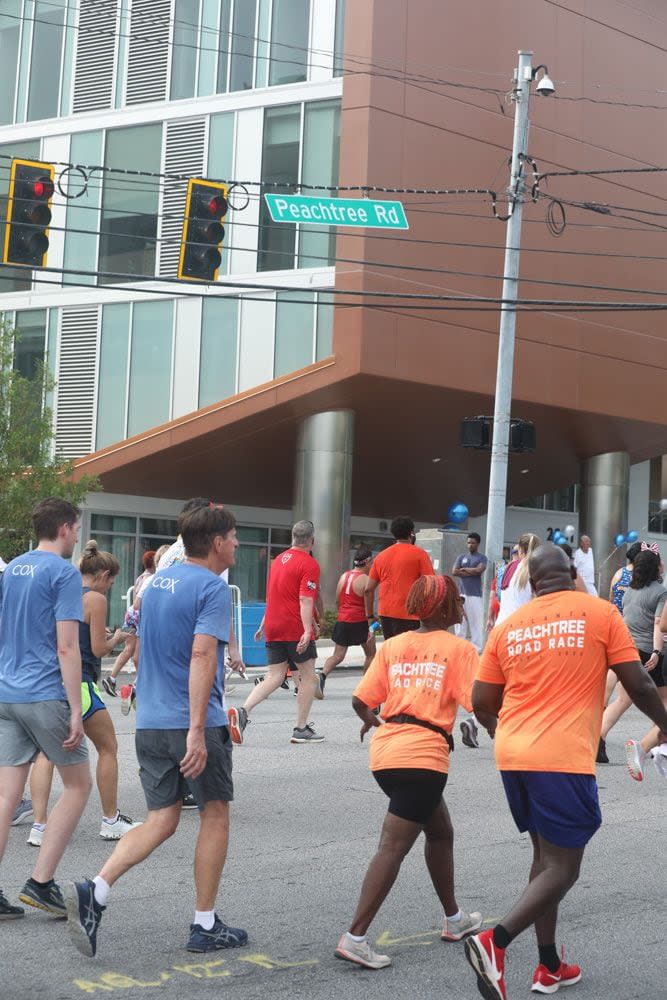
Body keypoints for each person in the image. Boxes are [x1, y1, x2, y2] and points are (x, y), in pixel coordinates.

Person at [465, 543, 667, 1000]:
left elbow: (480, 702)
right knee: (564, 868)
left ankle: (549, 965)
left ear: (533, 583)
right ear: (574, 574)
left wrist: (506, 730)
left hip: (513, 755)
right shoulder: (598, 614)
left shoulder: (508, 626)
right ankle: (493, 943)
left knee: (543, 860)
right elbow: (637, 682)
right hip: (560, 758)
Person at [65, 504, 247, 957]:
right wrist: (197, 730)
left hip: (150, 720)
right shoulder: (211, 587)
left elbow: (139, 642)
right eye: (235, 537)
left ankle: (97, 889)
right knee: (215, 814)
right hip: (189, 722)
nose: (239, 544)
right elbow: (204, 657)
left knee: (162, 819)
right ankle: (204, 923)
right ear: (218, 542)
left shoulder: (152, 585)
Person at [335, 574, 487, 970]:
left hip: (386, 755)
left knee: (440, 831)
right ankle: (355, 937)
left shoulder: (395, 645)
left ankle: (454, 920)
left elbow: (359, 700)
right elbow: (479, 705)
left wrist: (373, 719)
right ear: (445, 607)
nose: (459, 605)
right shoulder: (460, 649)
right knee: (392, 848)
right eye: (455, 600)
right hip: (424, 759)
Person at [0, 498, 91, 920]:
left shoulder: (13, 568)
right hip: (44, 692)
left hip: (7, 692)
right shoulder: (63, 573)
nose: (77, 535)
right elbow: (67, 645)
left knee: (5, 794)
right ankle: (40, 882)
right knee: (77, 786)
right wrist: (76, 708)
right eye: (76, 528)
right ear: (65, 529)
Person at [26, 542, 141, 847]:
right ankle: (110, 819)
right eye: (112, 581)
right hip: (82, 683)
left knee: (45, 753)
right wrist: (116, 637)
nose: (110, 586)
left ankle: (39, 825)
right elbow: (100, 650)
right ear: (103, 575)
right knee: (108, 747)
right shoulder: (95, 599)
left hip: (50, 682)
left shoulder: (61, 591)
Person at [227, 520, 324, 745]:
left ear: (292, 537)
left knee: (275, 676)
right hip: (294, 626)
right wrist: (308, 629)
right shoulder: (309, 564)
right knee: (309, 677)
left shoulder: (278, 560)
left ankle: (243, 711)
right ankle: (300, 728)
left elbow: (274, 595)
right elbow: (304, 599)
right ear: (312, 540)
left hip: (273, 624)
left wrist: (263, 623)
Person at [614, 546, 667, 781]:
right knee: (662, 705)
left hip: (628, 650)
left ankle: (657, 748)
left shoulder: (629, 592)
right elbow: (660, 625)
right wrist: (656, 651)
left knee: (622, 700)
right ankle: (649, 748)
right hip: (650, 652)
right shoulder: (659, 592)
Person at [316, 545, 377, 699]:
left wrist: (343, 613)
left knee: (338, 655)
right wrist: (372, 623)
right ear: (368, 562)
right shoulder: (366, 580)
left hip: (343, 619)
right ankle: (365, 689)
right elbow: (368, 606)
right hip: (360, 621)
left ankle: (322, 676)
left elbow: (338, 600)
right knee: (371, 654)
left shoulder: (344, 576)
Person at [363, 517, 433, 639]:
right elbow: (431, 585)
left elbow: (368, 590)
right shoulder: (420, 554)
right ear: (411, 533)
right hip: (410, 613)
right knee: (408, 655)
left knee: (392, 652)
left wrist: (370, 617)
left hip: (385, 613)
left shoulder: (381, 556)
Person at [102, 550, 157, 697]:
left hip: (131, 615)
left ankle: (112, 678)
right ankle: (140, 684)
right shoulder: (153, 578)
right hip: (141, 618)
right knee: (137, 652)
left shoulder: (141, 577)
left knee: (129, 649)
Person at [452, 533, 488, 651]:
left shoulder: (482, 558)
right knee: (460, 622)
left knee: (476, 623)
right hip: (461, 595)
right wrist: (470, 571)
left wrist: (464, 569)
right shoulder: (461, 557)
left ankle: (476, 649)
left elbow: (479, 570)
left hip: (475, 596)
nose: (470, 545)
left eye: (472, 543)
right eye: (468, 542)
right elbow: (455, 572)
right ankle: (459, 648)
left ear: (477, 544)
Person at [496, 534, 540, 625]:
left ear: (520, 549)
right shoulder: (535, 570)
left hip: (501, 625)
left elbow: (500, 595)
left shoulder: (509, 566)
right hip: (520, 627)